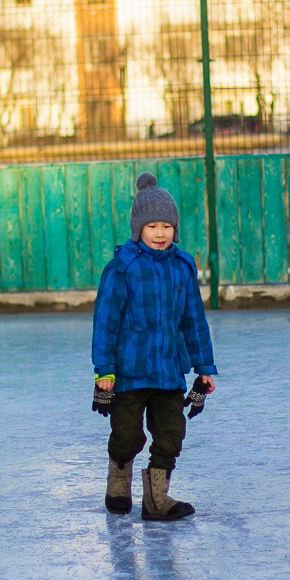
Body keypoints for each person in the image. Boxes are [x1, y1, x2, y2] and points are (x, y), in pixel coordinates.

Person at [90, 171, 217, 520]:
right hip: (129, 372)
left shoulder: (182, 266)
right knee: (127, 435)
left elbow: (194, 319)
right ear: (138, 229)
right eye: (152, 226)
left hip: (168, 371)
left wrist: (204, 367)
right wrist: (104, 372)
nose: (160, 233)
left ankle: (156, 499)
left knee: (171, 434)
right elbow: (106, 322)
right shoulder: (122, 268)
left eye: (167, 226)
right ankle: (118, 479)